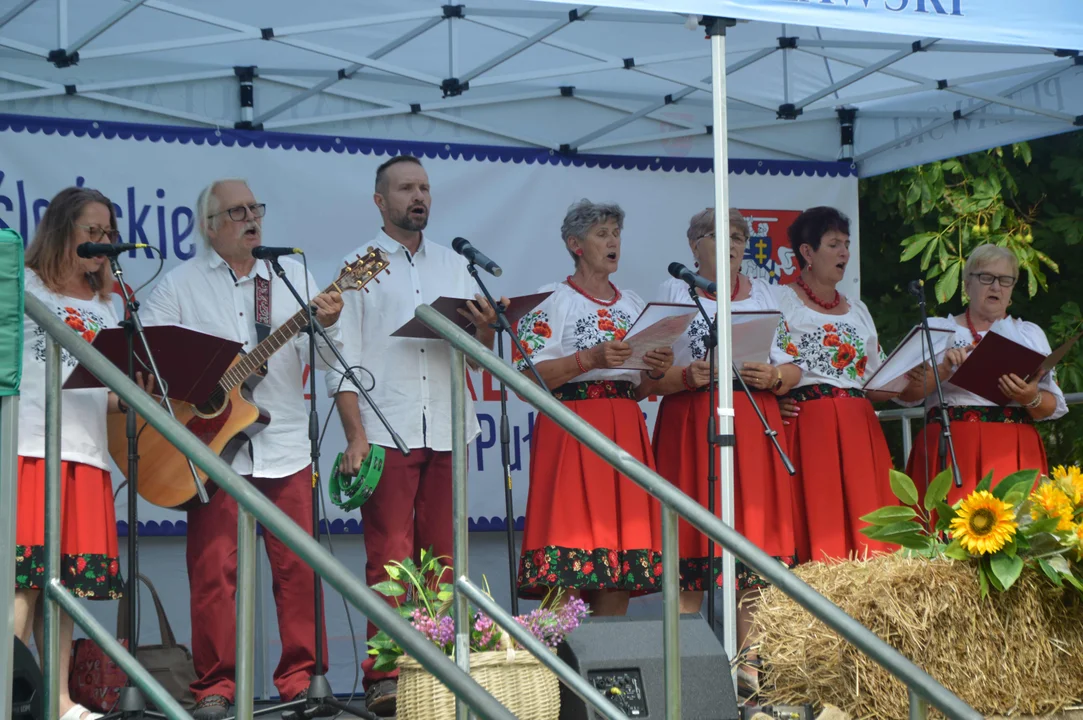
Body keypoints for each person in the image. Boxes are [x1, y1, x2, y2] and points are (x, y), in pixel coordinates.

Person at [142, 179, 344, 720]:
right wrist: (210, 383)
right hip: (209, 450)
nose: (252, 218)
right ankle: (215, 688)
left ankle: (301, 682)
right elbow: (154, 369)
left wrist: (327, 324)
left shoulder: (290, 276)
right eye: (237, 211)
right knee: (213, 573)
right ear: (210, 226)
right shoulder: (177, 287)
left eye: (256, 208)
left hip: (283, 446)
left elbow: (327, 364)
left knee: (298, 569)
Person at [328, 155, 506, 718]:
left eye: (424, 187)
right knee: (390, 559)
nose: (419, 197)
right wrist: (355, 436)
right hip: (386, 429)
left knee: (444, 559)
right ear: (380, 201)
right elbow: (341, 360)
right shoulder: (358, 265)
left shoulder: (457, 265)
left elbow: (480, 357)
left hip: (449, 426)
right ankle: (386, 675)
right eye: (406, 188)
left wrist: (483, 330)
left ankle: (439, 662)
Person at [16, 187, 153, 720]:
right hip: (30, 444)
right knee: (23, 579)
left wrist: (140, 390)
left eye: (107, 234)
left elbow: (107, 393)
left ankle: (59, 700)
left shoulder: (110, 304)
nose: (100, 243)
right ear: (60, 232)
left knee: (65, 587)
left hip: (87, 452)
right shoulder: (21, 284)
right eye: (90, 232)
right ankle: (7, 692)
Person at [650, 207, 800, 654]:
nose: (732, 244)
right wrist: (687, 375)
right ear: (694, 246)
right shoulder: (674, 291)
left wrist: (774, 378)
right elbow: (649, 369)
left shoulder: (766, 294)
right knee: (693, 546)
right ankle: (686, 673)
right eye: (719, 235)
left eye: (738, 236)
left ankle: (750, 675)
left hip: (753, 419)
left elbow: (794, 366)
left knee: (753, 547)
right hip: (694, 420)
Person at [513, 198, 673, 616]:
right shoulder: (551, 299)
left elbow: (638, 389)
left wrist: (655, 369)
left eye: (617, 233)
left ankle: (609, 672)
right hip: (572, 427)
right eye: (602, 233)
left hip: (624, 426)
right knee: (568, 555)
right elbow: (525, 379)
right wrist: (589, 360)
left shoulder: (633, 304)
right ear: (575, 243)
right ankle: (554, 670)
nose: (613, 241)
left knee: (619, 558)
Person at [898, 244, 1067, 502]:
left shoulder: (1029, 335)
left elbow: (1050, 406)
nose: (996, 286)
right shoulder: (935, 330)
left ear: (1011, 290)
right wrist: (943, 370)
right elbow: (905, 394)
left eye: (1005, 280)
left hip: (1013, 449)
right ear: (967, 285)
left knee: (1014, 534)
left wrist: (1029, 397)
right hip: (954, 448)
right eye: (986, 277)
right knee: (950, 533)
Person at [776, 206, 896, 563]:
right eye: (833, 244)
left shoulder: (857, 309)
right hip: (809, 425)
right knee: (819, 524)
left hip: (860, 426)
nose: (844, 252)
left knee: (866, 527)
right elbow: (761, 362)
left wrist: (910, 375)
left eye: (846, 243)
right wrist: (770, 400)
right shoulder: (781, 300)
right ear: (807, 252)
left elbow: (876, 381)